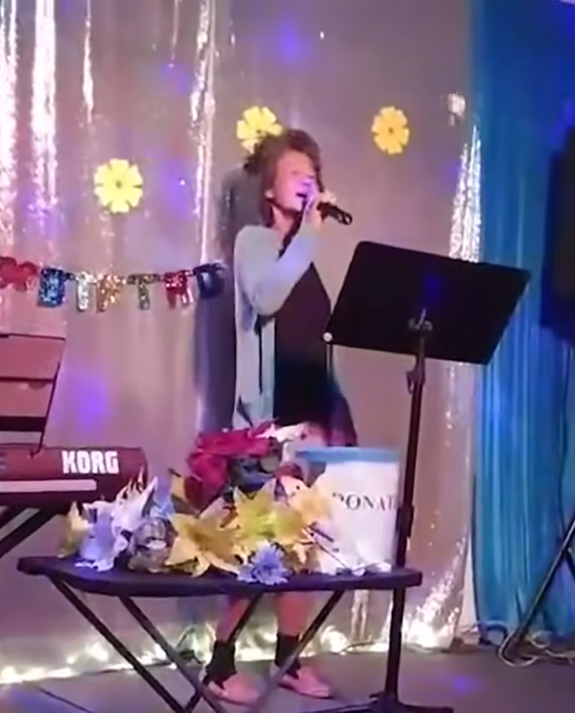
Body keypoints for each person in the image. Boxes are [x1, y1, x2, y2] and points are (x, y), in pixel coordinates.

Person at [204, 128, 356, 704]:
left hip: (311, 414)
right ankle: (219, 667)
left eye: (312, 174)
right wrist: (309, 234)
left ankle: (290, 659)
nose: (307, 182)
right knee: (259, 546)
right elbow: (266, 298)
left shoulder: (304, 253)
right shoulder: (255, 242)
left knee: (303, 545)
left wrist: (330, 413)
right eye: (295, 173)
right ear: (269, 188)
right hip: (267, 423)